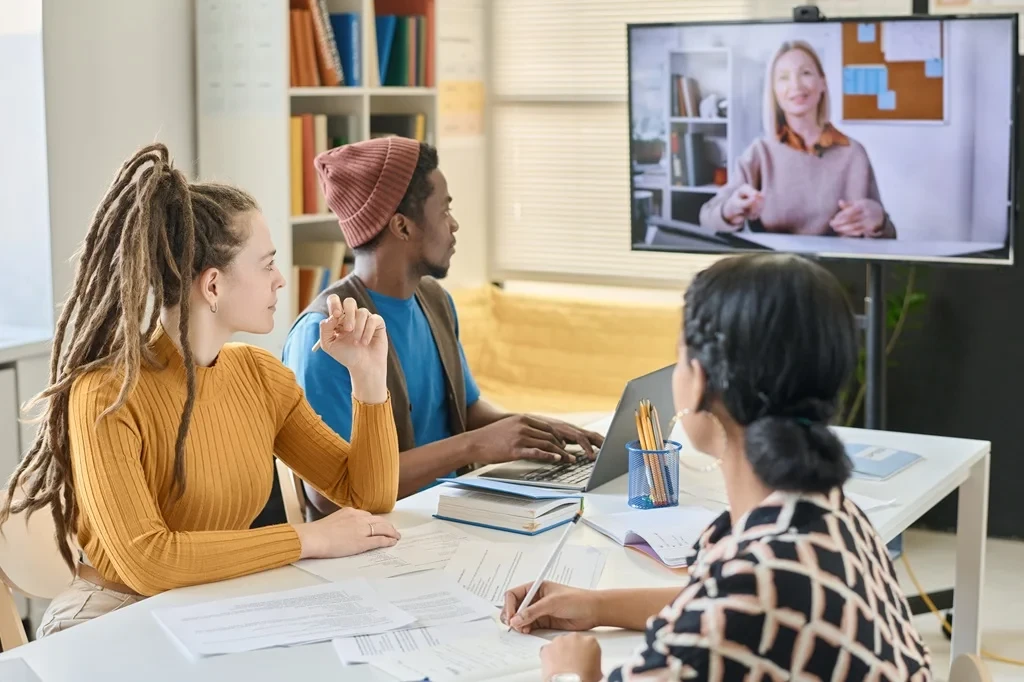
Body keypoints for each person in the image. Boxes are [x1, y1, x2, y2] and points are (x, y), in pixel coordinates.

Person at [0, 144, 404, 638]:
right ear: (212, 286)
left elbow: (369, 496)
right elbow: (149, 560)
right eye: (267, 264)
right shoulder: (105, 394)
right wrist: (309, 538)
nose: (281, 280)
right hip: (109, 617)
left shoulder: (260, 376)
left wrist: (367, 376)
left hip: (213, 608)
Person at [501, 254, 933, 681]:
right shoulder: (832, 514)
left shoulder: (747, 598)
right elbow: (718, 604)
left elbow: (731, 612)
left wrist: (571, 674)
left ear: (701, 379)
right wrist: (596, 605)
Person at [283, 137, 603, 517]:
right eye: (444, 209)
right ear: (402, 227)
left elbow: (463, 410)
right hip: (382, 540)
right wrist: (473, 445)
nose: (453, 224)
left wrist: (533, 429)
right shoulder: (327, 336)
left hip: (453, 515)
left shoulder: (434, 300)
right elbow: (330, 494)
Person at [700, 40, 897, 239]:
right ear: (774, 91)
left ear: (822, 83)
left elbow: (889, 238)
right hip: (774, 268)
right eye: (784, 77)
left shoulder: (854, 153)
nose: (796, 85)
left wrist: (879, 221)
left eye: (806, 73)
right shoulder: (760, 152)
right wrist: (730, 209)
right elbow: (707, 216)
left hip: (836, 269)